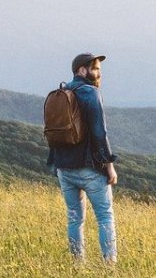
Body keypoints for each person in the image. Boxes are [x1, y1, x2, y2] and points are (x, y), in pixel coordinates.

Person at [46, 52, 119, 263]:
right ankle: (110, 269)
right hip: (89, 169)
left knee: (75, 219)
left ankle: (78, 266)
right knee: (105, 217)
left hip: (64, 169)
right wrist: (109, 165)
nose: (98, 73)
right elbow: (99, 133)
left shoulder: (62, 92)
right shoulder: (91, 93)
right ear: (82, 70)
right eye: (95, 68)